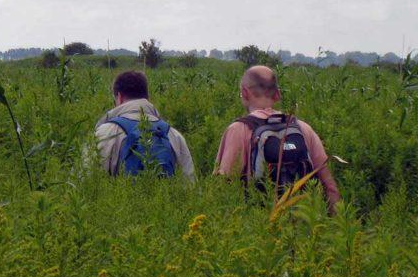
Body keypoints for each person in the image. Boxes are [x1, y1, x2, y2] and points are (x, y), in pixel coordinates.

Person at [214, 65, 341, 211]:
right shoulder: (303, 128)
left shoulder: (238, 130)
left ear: (244, 92)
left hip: (258, 226)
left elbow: (223, 188)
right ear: (277, 94)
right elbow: (329, 186)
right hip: (303, 225)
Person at [92, 70, 195, 179]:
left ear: (120, 97)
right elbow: (190, 185)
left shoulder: (104, 133)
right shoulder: (173, 135)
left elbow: (85, 183)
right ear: (147, 97)